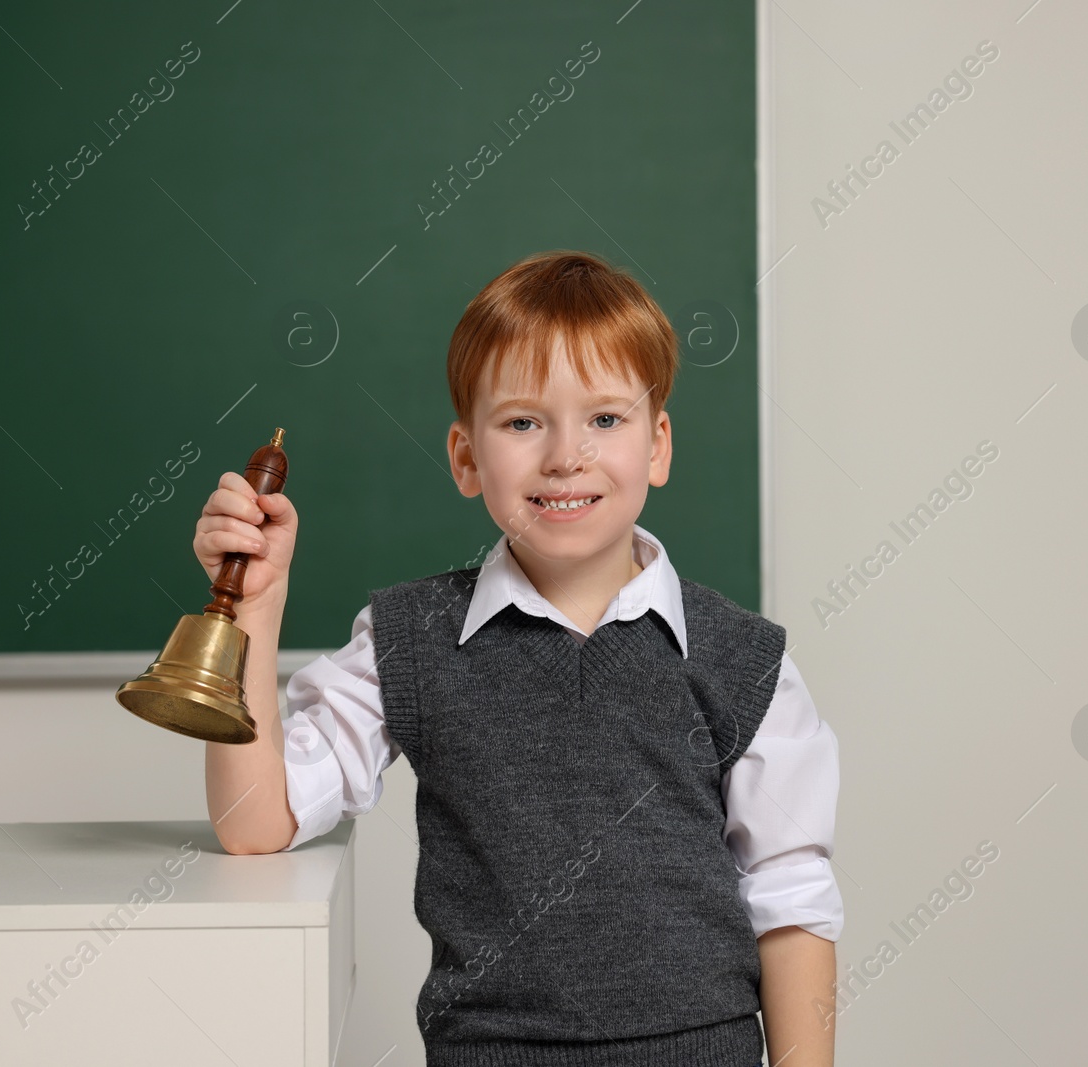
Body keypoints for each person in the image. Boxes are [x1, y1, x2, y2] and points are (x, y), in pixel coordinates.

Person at [196, 250, 842, 1067]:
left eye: (606, 419)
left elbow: (791, 904)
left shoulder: (743, 659)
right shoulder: (412, 640)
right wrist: (253, 610)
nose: (566, 455)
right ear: (466, 457)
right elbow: (254, 823)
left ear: (657, 445)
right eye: (523, 422)